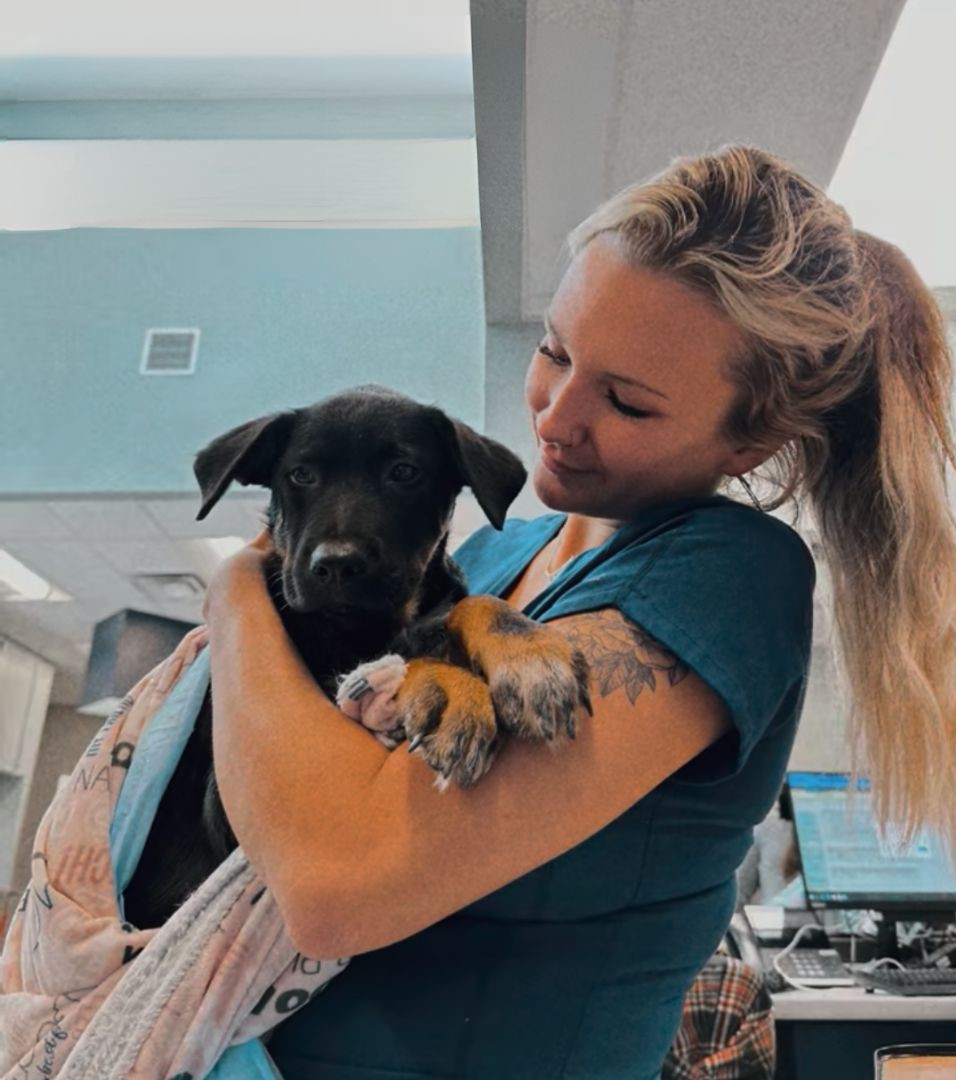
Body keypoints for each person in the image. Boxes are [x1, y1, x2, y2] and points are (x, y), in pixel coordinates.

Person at [202, 144, 956, 1078]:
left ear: (749, 436)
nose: (556, 415)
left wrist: (239, 593)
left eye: (627, 403)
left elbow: (331, 883)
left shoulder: (724, 573)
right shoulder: (489, 558)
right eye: (555, 350)